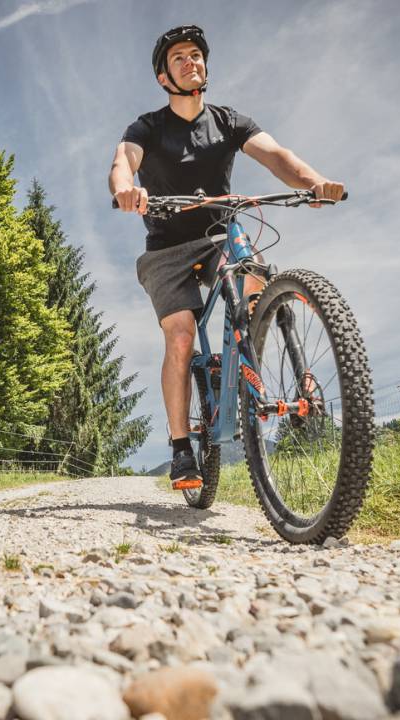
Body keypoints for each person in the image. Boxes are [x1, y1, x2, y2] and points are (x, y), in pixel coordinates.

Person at [108, 26, 345, 490]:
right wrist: (125, 191)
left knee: (256, 273)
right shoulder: (148, 127)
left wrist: (315, 182)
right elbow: (124, 160)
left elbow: (278, 156)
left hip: (220, 234)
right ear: (163, 77)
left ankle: (260, 362)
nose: (190, 62)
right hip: (166, 247)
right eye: (179, 58)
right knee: (180, 338)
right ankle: (181, 450)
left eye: (196, 55)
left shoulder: (229, 121)